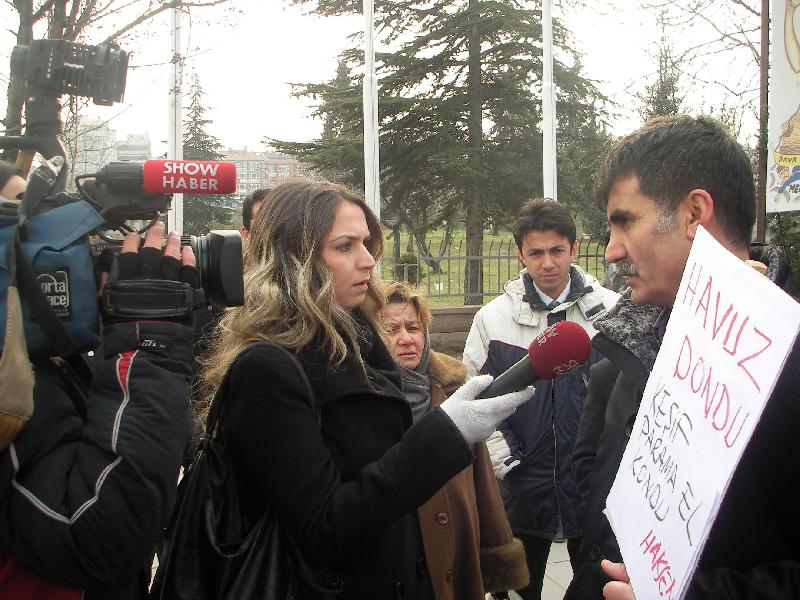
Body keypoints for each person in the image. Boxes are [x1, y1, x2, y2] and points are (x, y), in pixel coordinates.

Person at [199, 178, 531, 599]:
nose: (369, 259)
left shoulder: (360, 342)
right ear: (296, 258)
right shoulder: (268, 369)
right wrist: (445, 431)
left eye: (367, 242)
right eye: (345, 246)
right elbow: (325, 528)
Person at [564, 115, 800, 600]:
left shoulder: (789, 359)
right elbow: (593, 495)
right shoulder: (626, 345)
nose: (610, 252)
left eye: (624, 221)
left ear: (694, 213)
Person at [0, 175, 199, 600]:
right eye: (23, 227)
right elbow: (95, 537)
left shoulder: (45, 366)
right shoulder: (11, 390)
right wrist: (148, 345)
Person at [462, 200, 620, 600]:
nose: (547, 263)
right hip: (523, 487)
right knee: (518, 589)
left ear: (574, 248)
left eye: (556, 250)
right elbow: (471, 397)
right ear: (521, 254)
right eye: (535, 252)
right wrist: (506, 460)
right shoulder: (492, 320)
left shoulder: (614, 313)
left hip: (592, 489)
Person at [380, 279, 529, 600]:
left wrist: (496, 551)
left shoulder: (454, 392)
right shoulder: (367, 401)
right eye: (391, 330)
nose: (406, 339)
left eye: (413, 327)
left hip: (456, 553)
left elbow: (483, 482)